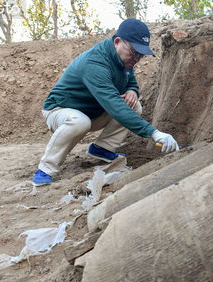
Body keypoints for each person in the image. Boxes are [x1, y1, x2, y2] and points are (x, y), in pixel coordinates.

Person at [32, 19, 179, 186]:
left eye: (140, 54)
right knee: (80, 122)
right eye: (134, 52)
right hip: (60, 110)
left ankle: (102, 149)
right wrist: (153, 133)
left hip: (92, 111)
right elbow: (115, 106)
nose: (137, 58)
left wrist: (132, 91)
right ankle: (45, 168)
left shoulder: (124, 58)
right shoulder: (96, 63)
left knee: (134, 105)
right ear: (117, 42)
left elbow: (130, 80)